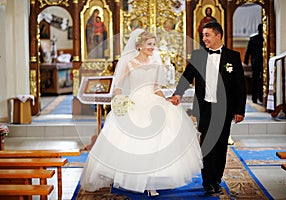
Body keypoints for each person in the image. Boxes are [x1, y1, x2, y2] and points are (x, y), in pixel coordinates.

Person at [80, 29, 203, 196]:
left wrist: (165, 100)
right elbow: (118, 87)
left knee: (160, 138)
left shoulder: (156, 63)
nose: (152, 47)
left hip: (153, 101)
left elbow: (156, 88)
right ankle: (138, 179)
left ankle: (154, 179)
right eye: (149, 44)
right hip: (135, 102)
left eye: (153, 44)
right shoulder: (129, 63)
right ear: (139, 46)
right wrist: (120, 100)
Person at [171, 22, 246, 195]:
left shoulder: (232, 57)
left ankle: (216, 180)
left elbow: (239, 86)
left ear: (218, 36)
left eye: (207, 35)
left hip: (225, 109)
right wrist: (178, 94)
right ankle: (208, 183)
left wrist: (239, 110)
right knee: (206, 145)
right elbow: (186, 77)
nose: (204, 39)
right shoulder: (198, 56)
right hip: (204, 108)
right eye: (203, 35)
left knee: (220, 146)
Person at [244, 23, 263, 104]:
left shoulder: (253, 38)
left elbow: (248, 51)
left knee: (256, 79)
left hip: (255, 61)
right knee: (260, 79)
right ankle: (260, 97)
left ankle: (255, 97)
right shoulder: (264, 38)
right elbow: (248, 50)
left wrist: (246, 60)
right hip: (261, 61)